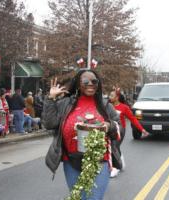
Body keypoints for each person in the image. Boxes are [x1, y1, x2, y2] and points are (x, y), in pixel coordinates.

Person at [43, 69, 122, 200]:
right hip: (71, 161)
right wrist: (51, 98)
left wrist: (110, 126)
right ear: (78, 84)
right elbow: (50, 123)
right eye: (86, 81)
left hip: (99, 162)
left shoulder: (105, 105)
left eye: (94, 81)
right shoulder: (65, 103)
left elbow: (120, 128)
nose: (90, 84)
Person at [108, 87, 149, 177]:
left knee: (114, 145)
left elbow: (133, 119)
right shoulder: (108, 106)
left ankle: (117, 168)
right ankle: (121, 162)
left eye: (111, 95)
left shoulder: (124, 107)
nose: (109, 97)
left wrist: (142, 129)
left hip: (121, 130)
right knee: (114, 147)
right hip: (111, 130)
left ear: (117, 97)